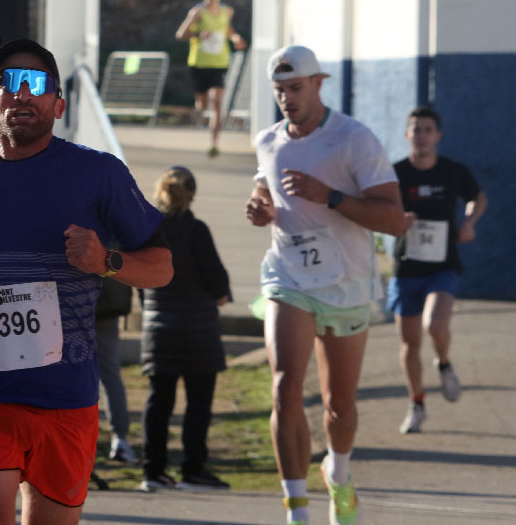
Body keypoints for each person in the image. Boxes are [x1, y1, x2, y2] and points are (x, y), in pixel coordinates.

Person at [0, 38, 173, 525]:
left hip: (64, 395)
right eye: (10, 82)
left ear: (58, 105)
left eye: (37, 84)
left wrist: (105, 261)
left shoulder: (98, 173)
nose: (23, 93)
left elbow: (162, 267)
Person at [244, 45, 406, 525]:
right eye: (279, 90)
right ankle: (296, 508)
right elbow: (264, 187)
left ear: (318, 84)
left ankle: (338, 470)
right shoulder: (268, 140)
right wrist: (259, 207)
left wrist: (330, 196)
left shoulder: (354, 139)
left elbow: (394, 219)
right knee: (284, 387)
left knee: (340, 406)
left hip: (346, 284)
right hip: (287, 275)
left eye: (295, 88)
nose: (286, 99)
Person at [389, 106, 487, 434]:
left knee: (436, 324)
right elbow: (379, 209)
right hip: (406, 267)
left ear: (438, 136)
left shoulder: (452, 171)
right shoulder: (395, 174)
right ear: (407, 135)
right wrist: (396, 221)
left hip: (443, 265)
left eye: (428, 130)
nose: (422, 136)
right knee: (409, 344)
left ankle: (444, 364)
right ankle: (416, 403)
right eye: (416, 130)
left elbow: (478, 198)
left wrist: (469, 222)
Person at [139, 166, 231, 493]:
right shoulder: (196, 231)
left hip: (158, 331)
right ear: (191, 194)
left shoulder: (148, 231)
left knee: (158, 402)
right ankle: (193, 470)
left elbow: (140, 278)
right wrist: (221, 294)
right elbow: (216, 280)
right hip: (197, 331)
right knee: (198, 404)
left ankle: (153, 471)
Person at [175, 0, 246, 158]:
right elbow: (180, 35)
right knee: (202, 105)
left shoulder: (227, 11)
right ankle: (198, 114)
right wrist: (198, 34)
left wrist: (235, 38)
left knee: (217, 101)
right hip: (199, 63)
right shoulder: (197, 12)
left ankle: (214, 143)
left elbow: (227, 29)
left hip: (219, 63)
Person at [95, 276, 136, 465]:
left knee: (69, 373)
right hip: (108, 305)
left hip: (70, 306)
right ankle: (120, 438)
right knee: (110, 375)